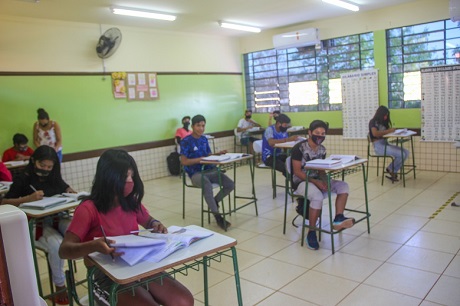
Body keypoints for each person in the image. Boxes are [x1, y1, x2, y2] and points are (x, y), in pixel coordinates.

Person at [59, 149, 193, 306]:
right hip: (106, 275)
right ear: (108, 178)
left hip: (139, 264)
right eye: (125, 177)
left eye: (132, 176)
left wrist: (155, 224)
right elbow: (64, 250)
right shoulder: (88, 209)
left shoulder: (130, 202)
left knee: (184, 301)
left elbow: (148, 220)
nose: (130, 181)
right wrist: (93, 246)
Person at [1, 145, 76, 304]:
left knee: (76, 230)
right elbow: (4, 202)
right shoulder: (23, 178)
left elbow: (64, 187)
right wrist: (27, 199)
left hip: (57, 217)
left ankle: (89, 276)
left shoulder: (54, 175)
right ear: (34, 161)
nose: (46, 170)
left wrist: (71, 191)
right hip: (35, 224)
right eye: (42, 166)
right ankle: (60, 284)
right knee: (56, 245)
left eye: (50, 167)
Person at [291, 120, 355, 250]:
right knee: (317, 196)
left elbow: (320, 169)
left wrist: (324, 180)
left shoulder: (322, 149)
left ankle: (338, 218)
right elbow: (297, 172)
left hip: (317, 180)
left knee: (343, 186)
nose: (320, 136)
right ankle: (312, 232)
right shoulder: (299, 148)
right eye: (317, 133)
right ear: (309, 133)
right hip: (301, 182)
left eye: (323, 133)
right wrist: (315, 182)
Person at [180, 115, 234, 230]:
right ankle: (218, 216)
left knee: (230, 184)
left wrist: (217, 154)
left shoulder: (204, 139)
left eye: (203, 126)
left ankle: (214, 202)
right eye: (198, 126)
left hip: (209, 169)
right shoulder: (186, 141)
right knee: (207, 185)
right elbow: (184, 161)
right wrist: (199, 160)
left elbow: (207, 155)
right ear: (193, 126)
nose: (201, 128)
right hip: (196, 174)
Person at [369, 105, 408, 181]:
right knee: (401, 154)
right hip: (378, 146)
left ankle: (392, 169)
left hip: (385, 143)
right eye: (385, 115)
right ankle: (391, 169)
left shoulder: (384, 122)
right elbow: (375, 133)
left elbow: (385, 134)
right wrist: (389, 131)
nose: (386, 117)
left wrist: (394, 133)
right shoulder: (373, 122)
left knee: (406, 152)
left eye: (387, 115)